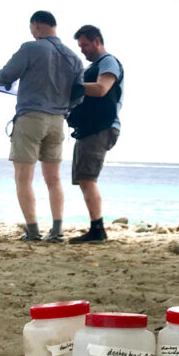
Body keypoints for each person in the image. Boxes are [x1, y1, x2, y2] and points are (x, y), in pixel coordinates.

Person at [0, 10, 83, 242]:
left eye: (31, 28)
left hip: (31, 118)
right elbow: (78, 94)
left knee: (23, 178)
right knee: (54, 179)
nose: (31, 33)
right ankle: (57, 231)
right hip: (57, 121)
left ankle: (32, 230)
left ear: (37, 25)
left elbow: (5, 76)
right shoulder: (74, 58)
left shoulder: (30, 48)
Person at [67, 24, 124, 244]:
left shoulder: (108, 62)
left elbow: (101, 89)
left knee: (87, 178)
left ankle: (97, 230)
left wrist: (74, 86)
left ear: (97, 41)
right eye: (80, 46)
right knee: (84, 178)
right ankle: (95, 227)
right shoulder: (93, 67)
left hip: (101, 127)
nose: (82, 50)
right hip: (89, 128)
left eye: (85, 45)